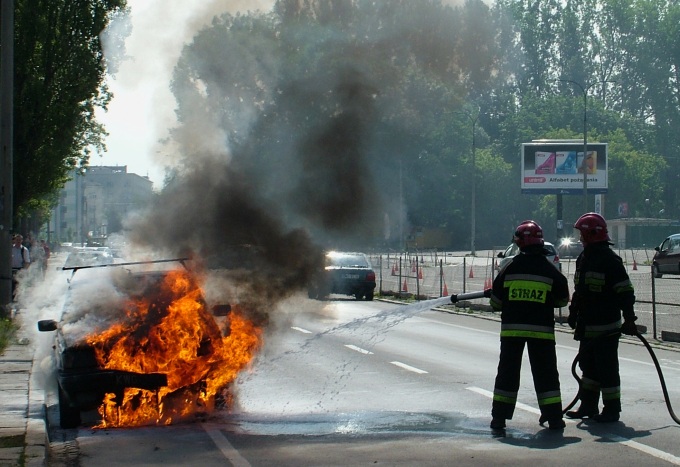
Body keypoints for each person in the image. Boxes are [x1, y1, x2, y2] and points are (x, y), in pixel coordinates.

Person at [488, 220, 570, 430]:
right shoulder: (550, 270)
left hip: (511, 332)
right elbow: (562, 300)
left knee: (507, 373)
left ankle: (499, 418)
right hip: (541, 333)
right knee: (546, 374)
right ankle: (554, 418)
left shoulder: (509, 268)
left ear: (519, 242)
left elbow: (496, 303)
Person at [566, 212, 637, 423]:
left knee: (607, 369)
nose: (580, 238)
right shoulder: (584, 258)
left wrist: (630, 319)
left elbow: (625, 292)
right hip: (587, 325)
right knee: (588, 367)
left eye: (583, 234)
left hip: (606, 327)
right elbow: (580, 291)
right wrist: (573, 313)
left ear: (591, 234)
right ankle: (588, 405)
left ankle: (612, 409)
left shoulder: (610, 261)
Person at [11, 234, 30, 299]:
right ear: (14, 240)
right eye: (17, 240)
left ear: (21, 241)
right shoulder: (11, 248)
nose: (18, 241)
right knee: (11, 286)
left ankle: (18, 300)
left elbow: (27, 262)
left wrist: (24, 271)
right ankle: (11, 300)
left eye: (19, 240)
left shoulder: (24, 250)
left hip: (20, 270)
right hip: (11, 270)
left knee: (18, 286)